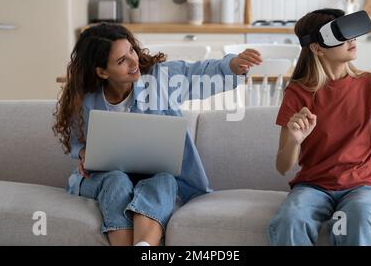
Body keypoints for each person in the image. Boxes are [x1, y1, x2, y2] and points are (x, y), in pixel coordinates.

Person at [53, 23, 262, 246]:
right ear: (102, 72)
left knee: (164, 179)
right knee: (117, 180)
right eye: (121, 60)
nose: (134, 62)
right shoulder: (85, 98)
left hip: (154, 177)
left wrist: (231, 65)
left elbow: (198, 73)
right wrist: (85, 152)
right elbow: (78, 144)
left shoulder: (160, 79)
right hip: (104, 179)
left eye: (131, 50)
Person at [268, 9, 371, 246]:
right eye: (340, 34)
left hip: (362, 188)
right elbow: (283, 166)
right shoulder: (298, 92)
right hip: (312, 187)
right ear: (317, 48)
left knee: (359, 216)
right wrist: (295, 140)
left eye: (351, 32)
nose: (352, 39)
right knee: (290, 219)